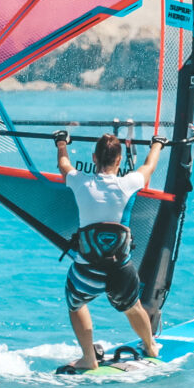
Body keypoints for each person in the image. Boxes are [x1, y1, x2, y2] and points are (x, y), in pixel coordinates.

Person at [53, 131, 164, 374]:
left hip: (86, 271)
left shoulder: (80, 182)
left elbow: (63, 164)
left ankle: (88, 358)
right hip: (120, 272)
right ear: (120, 160)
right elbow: (150, 166)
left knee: (76, 304)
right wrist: (157, 144)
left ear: (94, 158)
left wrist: (62, 143)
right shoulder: (129, 183)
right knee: (133, 305)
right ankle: (150, 346)